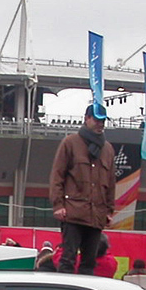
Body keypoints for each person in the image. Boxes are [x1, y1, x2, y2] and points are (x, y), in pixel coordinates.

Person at [49, 103, 116, 276]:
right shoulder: (70, 143)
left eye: (103, 120)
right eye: (97, 120)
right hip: (73, 212)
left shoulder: (107, 149)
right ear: (87, 119)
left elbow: (111, 182)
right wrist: (58, 205)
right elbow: (57, 176)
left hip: (97, 215)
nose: (101, 124)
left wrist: (109, 210)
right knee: (68, 259)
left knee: (89, 263)